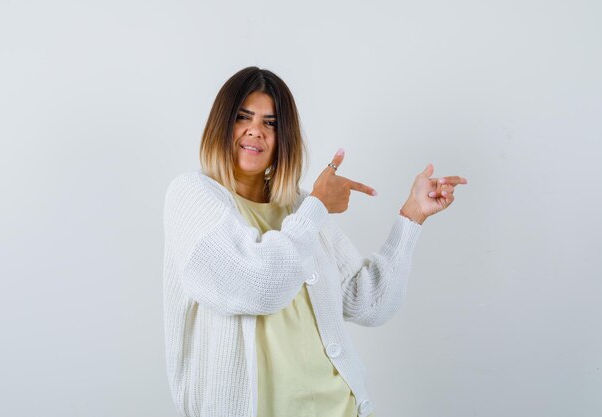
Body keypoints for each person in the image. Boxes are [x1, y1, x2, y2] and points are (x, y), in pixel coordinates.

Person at [162, 66, 467, 417]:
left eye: (271, 123)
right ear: (221, 125)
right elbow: (256, 286)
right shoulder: (190, 195)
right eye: (242, 117)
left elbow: (367, 302)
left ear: (283, 138)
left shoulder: (299, 207)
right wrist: (318, 205)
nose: (255, 131)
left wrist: (413, 215)